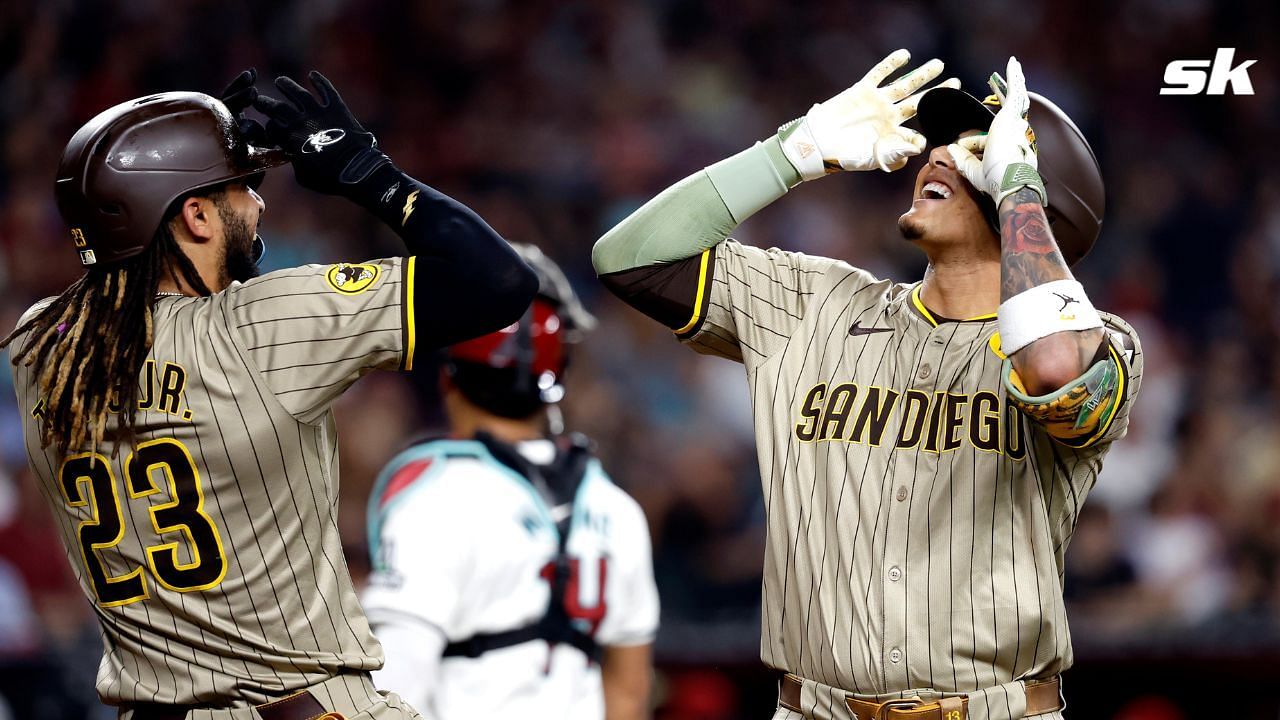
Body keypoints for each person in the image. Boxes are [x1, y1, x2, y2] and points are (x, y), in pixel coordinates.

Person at [592, 50, 1142, 720]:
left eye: (975, 151)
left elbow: (1052, 367)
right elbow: (628, 259)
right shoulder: (814, 302)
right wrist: (791, 153)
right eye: (943, 144)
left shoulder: (1106, 343)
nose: (938, 157)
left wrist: (1018, 188)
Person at [1, 69, 537, 719]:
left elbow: (111, 288)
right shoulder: (256, 328)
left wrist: (184, 159)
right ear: (195, 216)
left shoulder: (41, 346)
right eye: (241, 188)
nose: (258, 204)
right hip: (298, 706)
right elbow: (500, 281)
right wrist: (365, 172)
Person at [362, 244, 660, 720]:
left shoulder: (437, 497)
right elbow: (627, 694)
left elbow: (395, 685)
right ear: (558, 381)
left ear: (448, 375)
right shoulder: (615, 507)